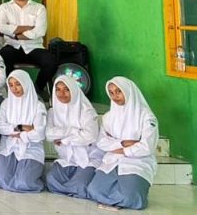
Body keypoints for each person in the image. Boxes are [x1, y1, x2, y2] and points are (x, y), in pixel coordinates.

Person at [86, 77, 157, 210]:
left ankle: (125, 196)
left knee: (133, 199)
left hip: (137, 162)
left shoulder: (146, 116)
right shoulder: (108, 117)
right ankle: (121, 197)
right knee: (93, 191)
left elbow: (147, 146)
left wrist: (119, 148)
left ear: (128, 91)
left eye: (119, 91)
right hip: (113, 161)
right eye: (111, 93)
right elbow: (101, 142)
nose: (115, 96)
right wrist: (123, 143)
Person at [0, 0, 56, 100]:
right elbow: (2, 28)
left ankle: (37, 89)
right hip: (12, 46)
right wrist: (28, 28)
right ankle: (14, 91)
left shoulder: (39, 8)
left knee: (51, 61)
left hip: (34, 47)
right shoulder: (4, 8)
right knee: (2, 57)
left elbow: (40, 31)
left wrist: (15, 34)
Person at [46, 75, 100, 199]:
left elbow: (90, 136)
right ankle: (72, 190)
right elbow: (49, 134)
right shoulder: (53, 112)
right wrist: (74, 130)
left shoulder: (87, 111)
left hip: (88, 158)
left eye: (66, 89)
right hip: (67, 158)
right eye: (58, 90)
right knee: (51, 180)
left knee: (80, 185)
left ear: (74, 90)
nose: (61, 93)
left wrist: (65, 140)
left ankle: (72, 189)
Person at [0, 70, 47, 193]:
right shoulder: (6, 103)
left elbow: (39, 133)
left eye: (18, 84)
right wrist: (21, 128)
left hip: (30, 148)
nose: (14, 88)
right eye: (11, 85)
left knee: (24, 183)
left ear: (26, 83)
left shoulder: (38, 106)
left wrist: (12, 131)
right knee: (2, 180)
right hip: (8, 148)